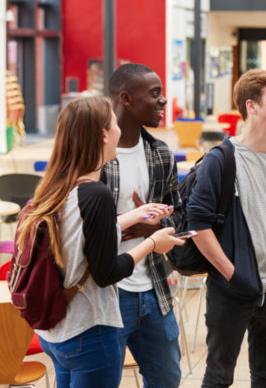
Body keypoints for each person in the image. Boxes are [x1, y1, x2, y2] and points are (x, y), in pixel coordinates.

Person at [19, 96, 184, 387]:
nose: (120, 128)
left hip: (56, 333)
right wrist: (153, 244)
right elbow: (107, 272)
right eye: (114, 122)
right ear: (104, 134)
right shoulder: (97, 194)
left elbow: (80, 239)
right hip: (90, 331)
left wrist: (134, 215)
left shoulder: (58, 186)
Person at [187, 69, 266, 387]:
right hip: (231, 292)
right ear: (252, 106)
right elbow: (198, 224)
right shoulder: (220, 160)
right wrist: (233, 276)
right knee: (218, 376)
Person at [101, 63, 183, 387]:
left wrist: (152, 228)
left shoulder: (161, 154)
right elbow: (78, 226)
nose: (163, 101)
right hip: (108, 293)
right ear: (125, 99)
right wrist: (126, 223)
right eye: (154, 94)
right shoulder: (96, 155)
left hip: (154, 290)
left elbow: (179, 217)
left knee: (167, 379)